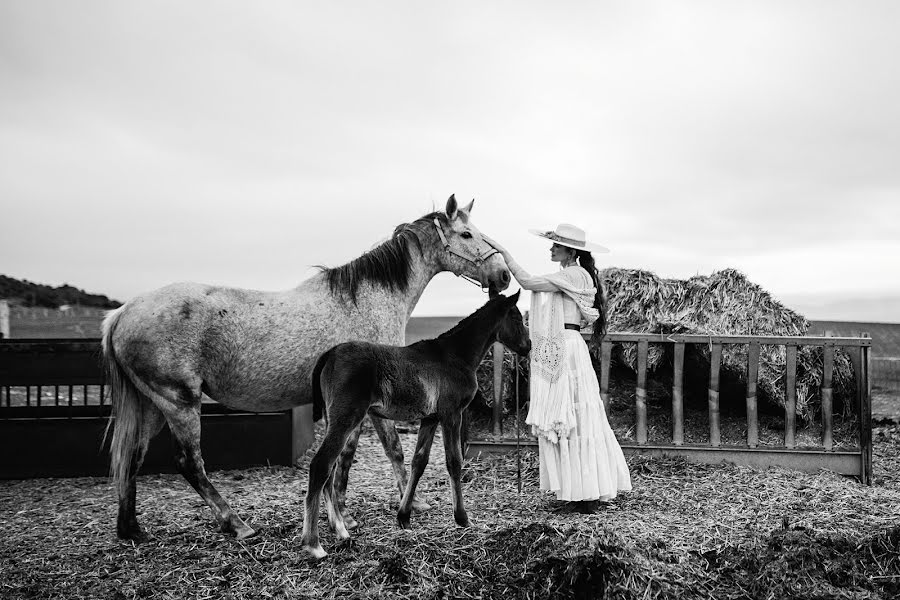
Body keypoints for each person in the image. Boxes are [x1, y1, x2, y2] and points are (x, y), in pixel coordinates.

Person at [484, 223, 631, 513]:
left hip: (566, 345)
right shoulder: (577, 274)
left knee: (571, 414)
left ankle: (585, 491)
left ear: (570, 251)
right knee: (575, 414)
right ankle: (582, 490)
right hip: (568, 342)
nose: (551, 249)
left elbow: (527, 282)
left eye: (556, 245)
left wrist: (503, 252)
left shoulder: (572, 274)